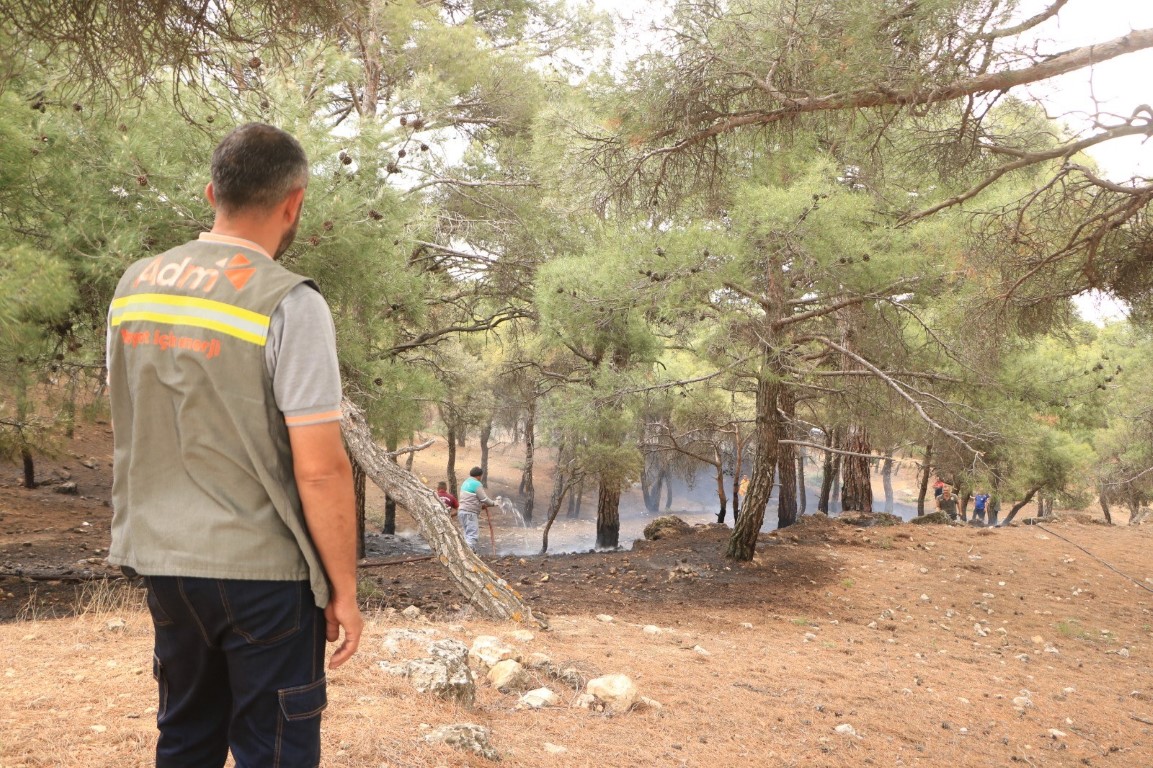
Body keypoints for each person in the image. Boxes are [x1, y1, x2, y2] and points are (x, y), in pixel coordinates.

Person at [106, 123, 362, 768]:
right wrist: (345, 590)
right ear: (294, 201)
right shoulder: (289, 302)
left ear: (211, 190)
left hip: (164, 562)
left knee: (186, 739)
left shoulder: (135, 285)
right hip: (261, 575)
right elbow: (323, 469)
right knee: (274, 751)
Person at [458, 466, 499, 551]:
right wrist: (494, 503)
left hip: (462, 511)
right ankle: (467, 554)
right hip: (470, 513)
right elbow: (484, 499)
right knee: (472, 535)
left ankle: (467, 552)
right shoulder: (476, 484)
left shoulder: (466, 482)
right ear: (479, 476)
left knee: (466, 534)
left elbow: (470, 497)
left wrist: (480, 505)